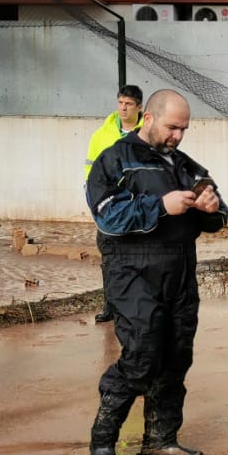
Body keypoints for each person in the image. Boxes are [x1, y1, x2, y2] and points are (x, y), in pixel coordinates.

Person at [84, 89, 228, 455]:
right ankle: (103, 439)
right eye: (171, 127)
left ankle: (161, 440)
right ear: (148, 118)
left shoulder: (185, 165)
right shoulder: (114, 160)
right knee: (141, 355)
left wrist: (213, 208)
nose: (177, 136)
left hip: (180, 269)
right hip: (131, 270)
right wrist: (160, 206)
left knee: (177, 356)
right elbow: (106, 216)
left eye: (183, 129)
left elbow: (217, 210)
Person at [86, 85, 145, 324]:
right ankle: (110, 305)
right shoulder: (102, 136)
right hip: (110, 207)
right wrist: (97, 205)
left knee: (141, 256)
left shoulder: (149, 134)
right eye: (120, 102)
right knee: (109, 257)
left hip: (138, 207)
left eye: (128, 103)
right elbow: (90, 173)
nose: (123, 107)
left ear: (139, 107)